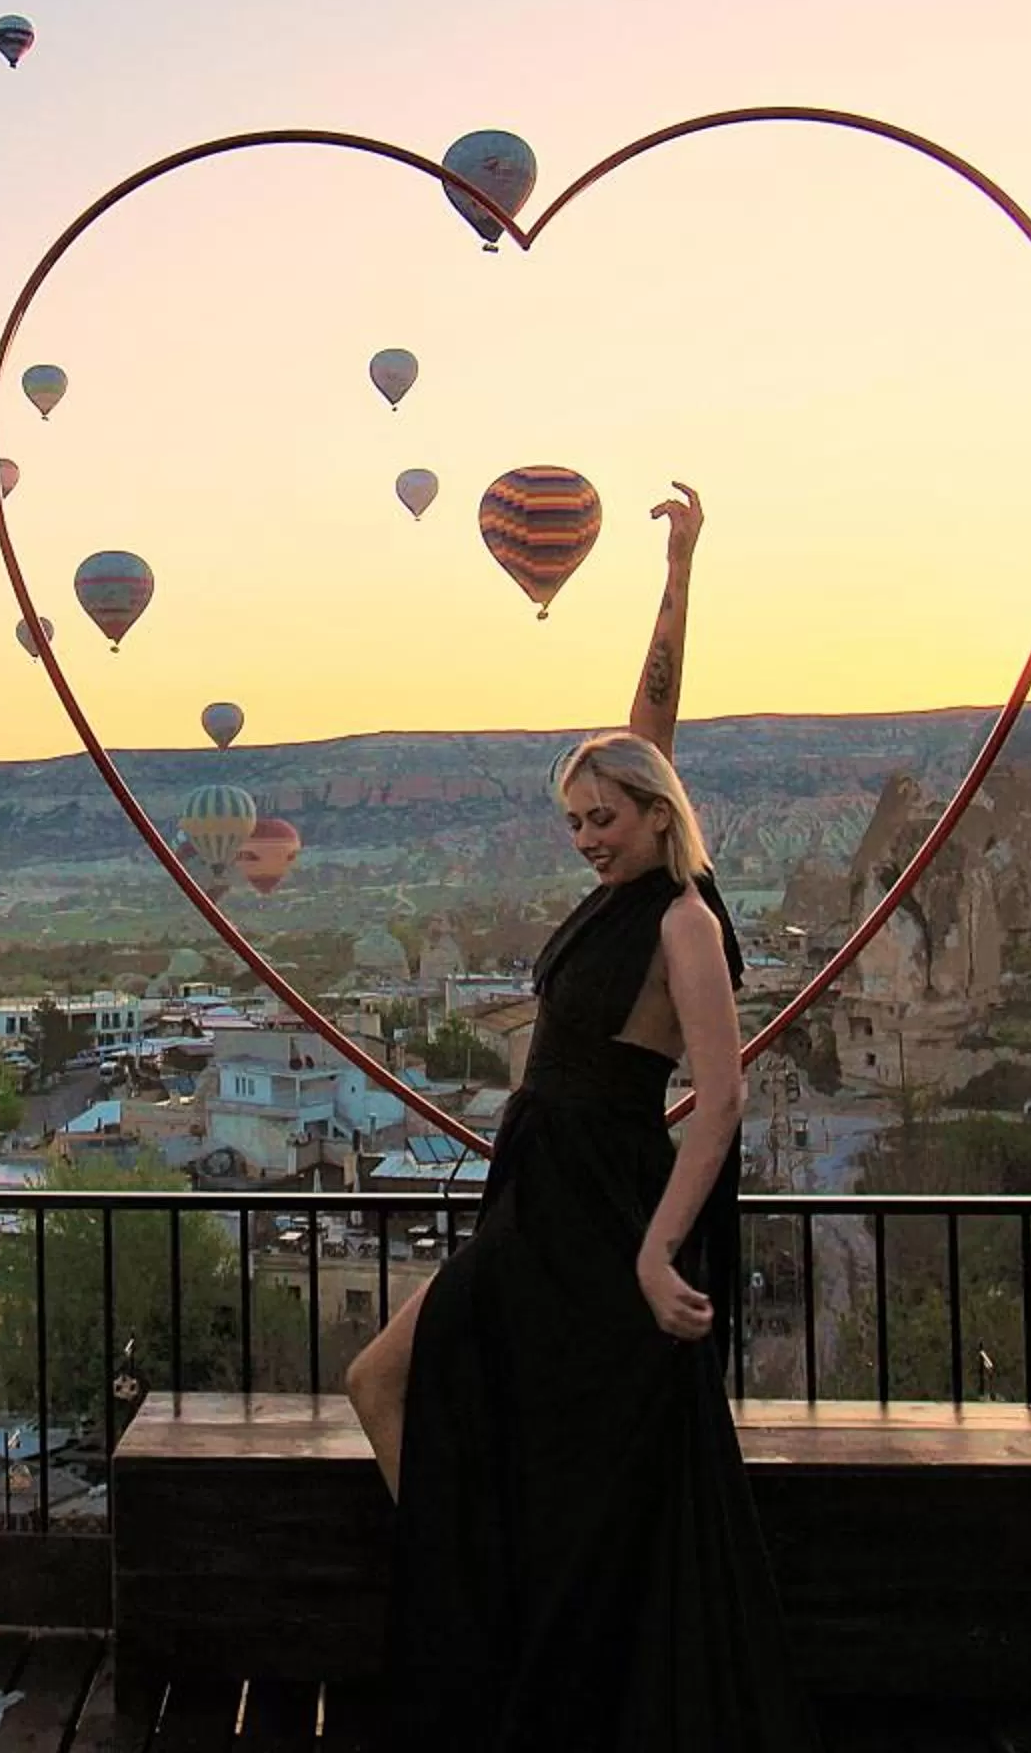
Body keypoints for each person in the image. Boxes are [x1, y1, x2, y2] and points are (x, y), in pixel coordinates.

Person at [345, 481, 813, 1748]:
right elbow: (647, 716)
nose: (585, 837)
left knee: (425, 1393)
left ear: (658, 814)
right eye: (573, 821)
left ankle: (523, 1651)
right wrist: (675, 571)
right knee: (383, 1383)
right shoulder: (621, 896)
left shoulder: (681, 918)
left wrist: (658, 1251)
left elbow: (720, 1100)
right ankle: (495, 1617)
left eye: (602, 817)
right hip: (535, 1192)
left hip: (600, 1203)